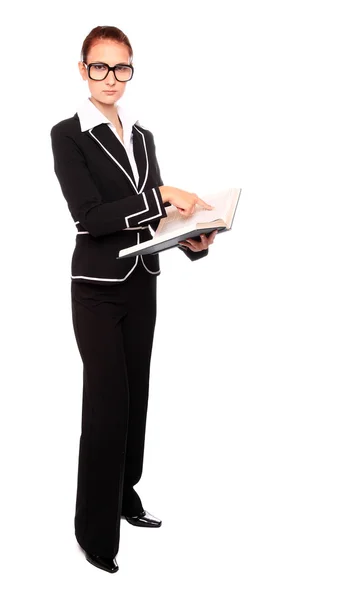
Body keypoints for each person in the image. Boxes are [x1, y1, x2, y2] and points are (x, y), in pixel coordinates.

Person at [50, 25, 218, 574]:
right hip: (96, 290)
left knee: (137, 396)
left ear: (131, 70)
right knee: (105, 405)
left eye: (122, 68)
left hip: (143, 280)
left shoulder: (143, 136)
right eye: (100, 67)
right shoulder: (67, 134)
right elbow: (90, 217)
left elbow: (156, 217)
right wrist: (162, 196)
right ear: (83, 69)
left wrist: (192, 238)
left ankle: (124, 495)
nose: (111, 79)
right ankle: (92, 530)